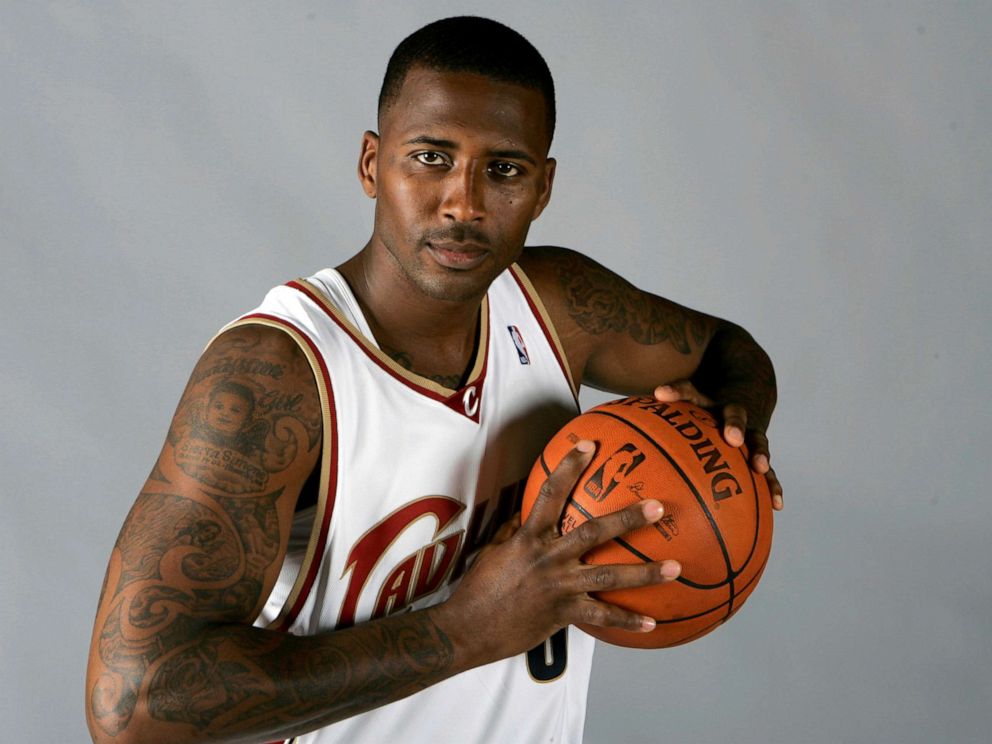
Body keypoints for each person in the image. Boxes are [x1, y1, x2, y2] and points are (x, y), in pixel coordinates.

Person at [85, 16, 781, 744]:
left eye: (505, 169)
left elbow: (728, 352)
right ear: (370, 165)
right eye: (430, 157)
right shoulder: (279, 375)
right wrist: (462, 630)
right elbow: (133, 705)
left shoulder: (559, 305)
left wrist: (739, 421)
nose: (464, 202)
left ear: (543, 188)